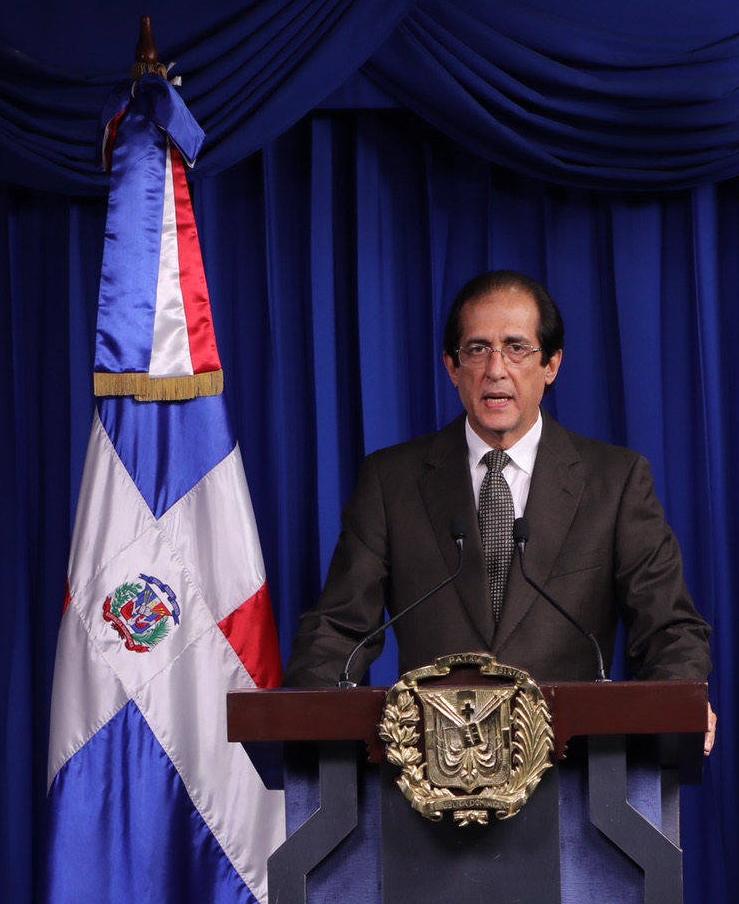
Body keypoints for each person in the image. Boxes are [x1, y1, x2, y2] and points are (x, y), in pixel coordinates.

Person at [287, 271, 716, 749]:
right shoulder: (392, 482)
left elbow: (668, 629)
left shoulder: (615, 482)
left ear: (551, 364)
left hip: (574, 768)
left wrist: (679, 701)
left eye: (516, 348)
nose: (496, 369)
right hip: (427, 774)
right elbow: (339, 630)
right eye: (477, 349)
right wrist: (305, 716)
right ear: (452, 367)